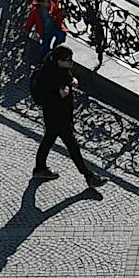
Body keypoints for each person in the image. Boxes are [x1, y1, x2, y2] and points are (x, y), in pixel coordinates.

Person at [30, 43, 99, 189]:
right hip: (56, 115)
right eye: (68, 60)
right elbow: (47, 95)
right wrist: (60, 94)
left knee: (49, 139)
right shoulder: (48, 75)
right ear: (59, 61)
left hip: (59, 114)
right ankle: (89, 176)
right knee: (72, 146)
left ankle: (39, 169)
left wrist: (71, 80)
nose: (71, 62)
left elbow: (65, 76)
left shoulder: (57, 67)